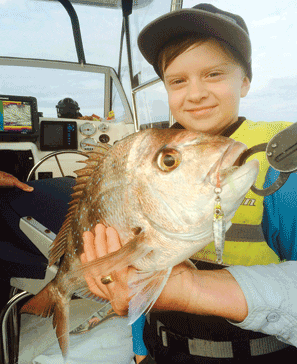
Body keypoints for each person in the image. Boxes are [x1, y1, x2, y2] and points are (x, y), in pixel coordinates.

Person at [80, 3, 297, 363]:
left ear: (244, 82)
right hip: (161, 347)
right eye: (177, 81)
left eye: (213, 74)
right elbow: (137, 270)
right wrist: (139, 349)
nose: (195, 94)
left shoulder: (279, 168)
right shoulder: (146, 161)